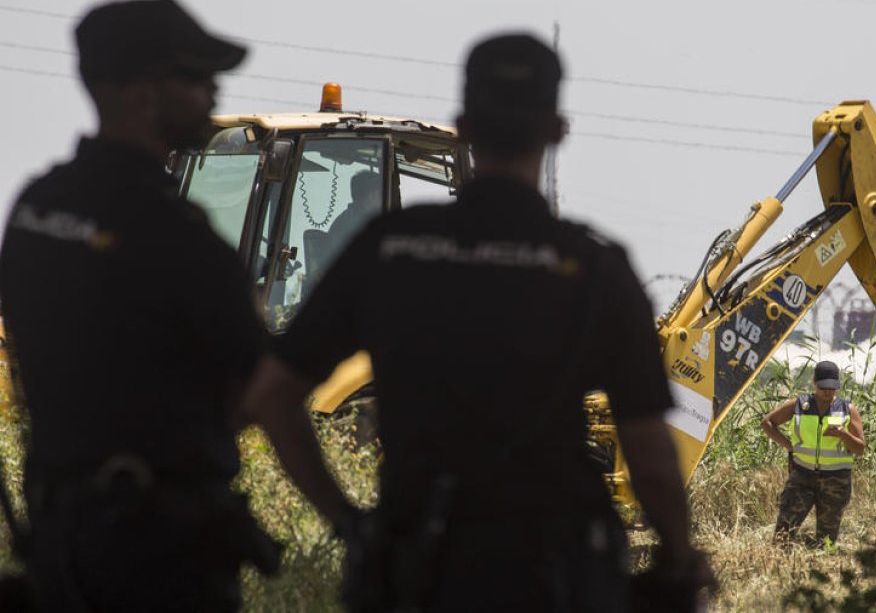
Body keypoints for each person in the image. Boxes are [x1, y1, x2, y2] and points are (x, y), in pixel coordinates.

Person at [241, 32, 713, 612]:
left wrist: (347, 521)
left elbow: (270, 396)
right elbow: (650, 454)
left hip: (419, 569)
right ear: (556, 131)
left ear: (463, 124)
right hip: (555, 572)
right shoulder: (595, 269)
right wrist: (679, 557)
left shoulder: (389, 250)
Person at [0, 0, 276, 611]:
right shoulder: (175, 233)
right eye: (196, 77)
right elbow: (258, 388)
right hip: (159, 558)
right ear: (142, 92)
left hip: (59, 538)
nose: (212, 92)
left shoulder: (35, 208)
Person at [761, 360, 865, 546]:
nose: (828, 392)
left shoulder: (847, 409)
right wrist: (789, 445)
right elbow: (767, 423)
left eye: (832, 388)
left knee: (826, 542)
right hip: (802, 476)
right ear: (814, 383)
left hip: (836, 481)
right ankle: (779, 566)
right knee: (782, 534)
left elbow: (860, 449)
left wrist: (843, 434)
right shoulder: (799, 405)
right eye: (824, 387)